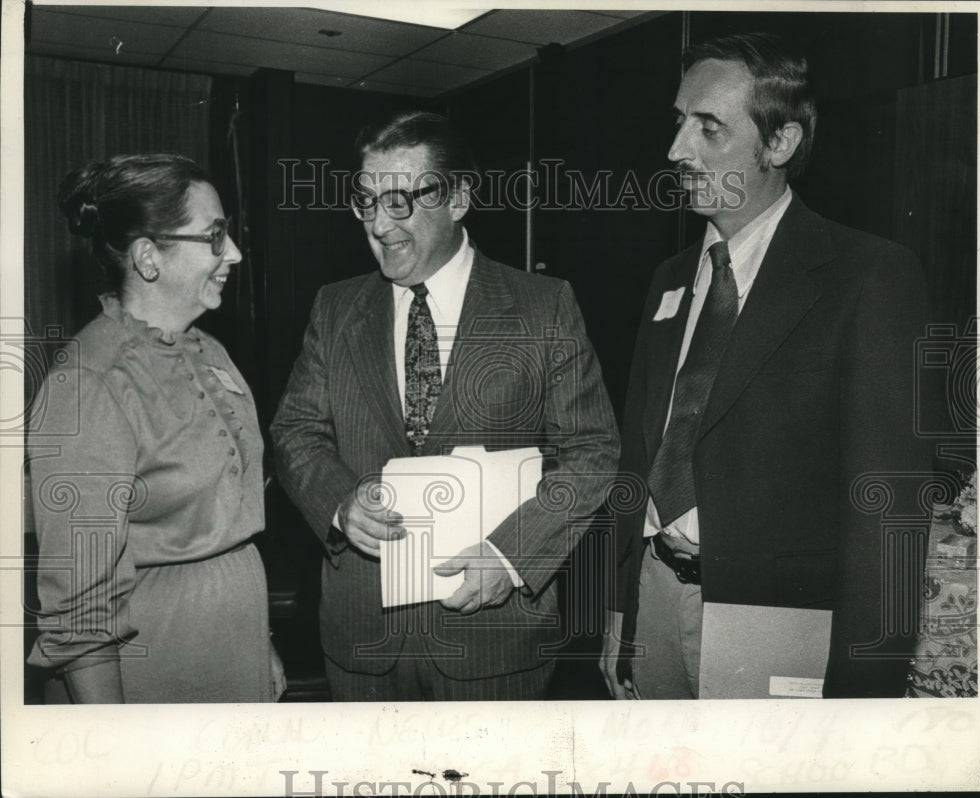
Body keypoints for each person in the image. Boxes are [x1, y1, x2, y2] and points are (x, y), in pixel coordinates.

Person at [601, 33, 931, 699]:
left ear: (779, 145)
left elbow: (888, 510)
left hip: (778, 621)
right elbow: (637, 459)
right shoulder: (668, 280)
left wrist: (865, 689)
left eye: (709, 128)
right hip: (656, 598)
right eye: (678, 122)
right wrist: (617, 613)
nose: (676, 150)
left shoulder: (868, 276)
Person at [270, 111, 620, 701]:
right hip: (363, 644)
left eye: (402, 201)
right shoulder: (335, 309)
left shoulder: (543, 307)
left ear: (458, 198)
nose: (380, 224)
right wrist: (338, 504)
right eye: (366, 200)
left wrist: (511, 558)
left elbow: (590, 452)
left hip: (495, 643)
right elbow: (295, 430)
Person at [27, 153, 285, 703]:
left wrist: (257, 639)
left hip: (232, 647)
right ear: (148, 257)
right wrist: (113, 746)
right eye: (214, 237)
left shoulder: (209, 350)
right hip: (159, 662)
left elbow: (225, 524)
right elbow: (79, 603)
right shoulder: (90, 381)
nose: (234, 254)